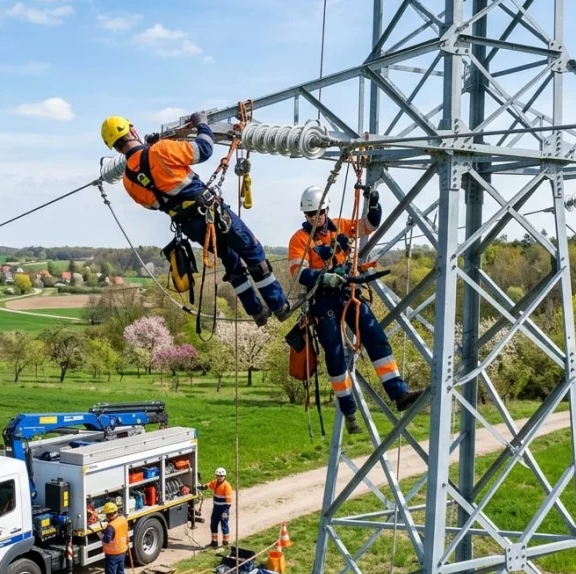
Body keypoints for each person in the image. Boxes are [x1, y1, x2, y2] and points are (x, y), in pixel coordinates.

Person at [100, 113, 291, 326]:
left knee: (231, 261)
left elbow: (152, 204)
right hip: (212, 212)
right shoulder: (161, 150)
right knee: (253, 251)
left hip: (192, 226)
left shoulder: (128, 181)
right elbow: (204, 150)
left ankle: (257, 312)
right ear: (133, 131)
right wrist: (202, 124)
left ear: (115, 148)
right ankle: (279, 305)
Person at [287, 184, 425, 435]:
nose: (315, 219)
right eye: (310, 215)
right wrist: (325, 277)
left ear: (326, 209)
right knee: (335, 353)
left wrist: (373, 205)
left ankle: (399, 392)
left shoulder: (340, 225)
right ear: (305, 215)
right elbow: (299, 273)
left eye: (318, 213)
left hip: (347, 292)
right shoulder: (300, 239)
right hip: (323, 299)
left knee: (375, 337)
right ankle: (349, 411)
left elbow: (368, 225)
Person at [100, 502, 129, 574]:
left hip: (112, 555)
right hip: (122, 552)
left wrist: (101, 536)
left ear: (108, 514)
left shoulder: (110, 526)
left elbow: (107, 540)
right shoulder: (122, 519)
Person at [205, 467, 234, 548]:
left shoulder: (226, 486)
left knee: (224, 524)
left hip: (224, 509)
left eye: (221, 476)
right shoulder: (215, 483)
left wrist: (226, 510)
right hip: (216, 508)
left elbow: (228, 500)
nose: (219, 478)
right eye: (218, 476)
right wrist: (204, 486)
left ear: (224, 476)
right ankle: (214, 542)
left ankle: (225, 542)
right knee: (213, 524)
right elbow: (210, 484)